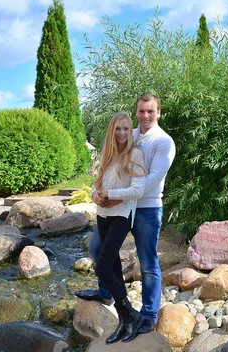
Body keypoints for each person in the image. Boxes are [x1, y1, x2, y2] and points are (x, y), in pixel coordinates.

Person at [76, 94, 176, 334]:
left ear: (159, 112)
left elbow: (151, 180)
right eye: (141, 111)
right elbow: (108, 170)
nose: (145, 116)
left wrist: (115, 196)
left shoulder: (164, 142)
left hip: (147, 208)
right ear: (136, 112)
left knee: (147, 261)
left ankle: (149, 314)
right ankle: (107, 292)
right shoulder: (128, 134)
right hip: (119, 208)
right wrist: (98, 193)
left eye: (150, 111)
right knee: (98, 249)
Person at [85, 111, 147, 344]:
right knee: (114, 266)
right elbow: (95, 185)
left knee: (102, 266)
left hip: (121, 216)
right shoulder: (107, 156)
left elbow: (137, 190)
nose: (122, 133)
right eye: (117, 129)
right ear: (112, 131)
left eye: (125, 128)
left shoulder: (135, 155)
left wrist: (110, 194)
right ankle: (126, 319)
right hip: (103, 215)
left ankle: (130, 314)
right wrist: (95, 196)